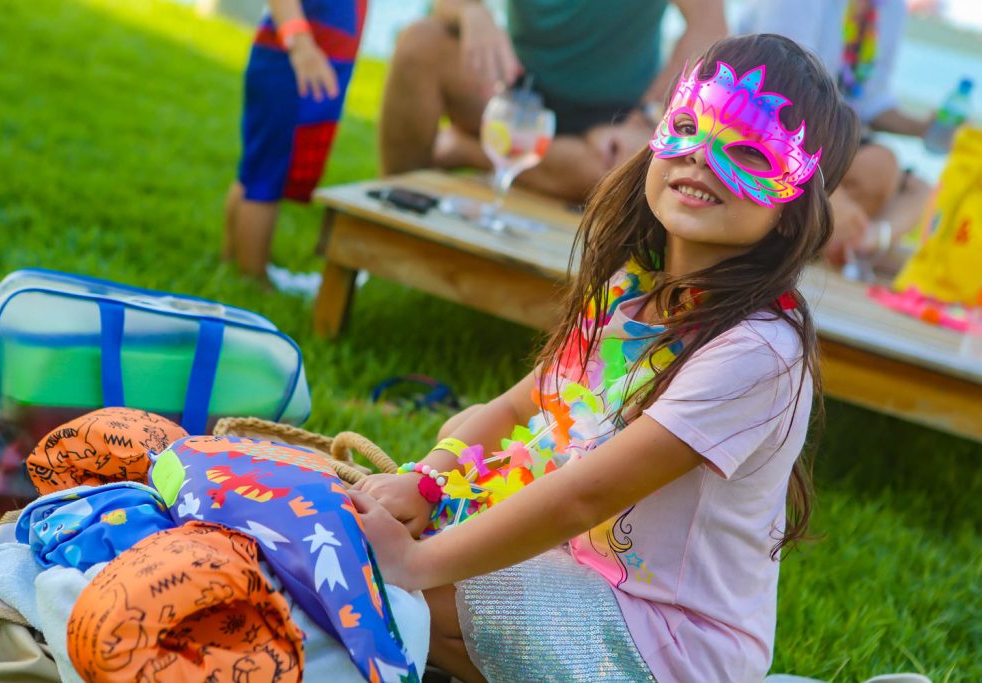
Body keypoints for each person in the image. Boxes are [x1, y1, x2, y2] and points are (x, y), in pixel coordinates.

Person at [351, 34, 860, 682]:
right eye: (686, 128)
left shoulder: (759, 350)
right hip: (576, 575)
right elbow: (512, 406)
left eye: (747, 152)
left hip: (671, 643)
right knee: (393, 520)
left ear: (791, 211)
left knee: (395, 587)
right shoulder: (631, 294)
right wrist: (426, 482)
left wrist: (417, 563)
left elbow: (582, 494)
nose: (701, 161)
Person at [379, 0, 727, 203]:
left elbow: (710, 29)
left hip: (615, 116)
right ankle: (388, 210)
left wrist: (646, 118)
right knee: (419, 44)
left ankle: (462, 148)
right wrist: (473, 13)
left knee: (612, 177)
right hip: (516, 96)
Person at [738, 0, 934, 269]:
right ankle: (824, 237)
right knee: (879, 166)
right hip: (763, 126)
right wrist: (829, 189)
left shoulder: (889, 8)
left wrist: (923, 128)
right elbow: (782, 86)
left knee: (919, 190)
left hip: (828, 134)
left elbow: (869, 101)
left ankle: (859, 241)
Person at [222, 0, 366, 282]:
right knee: (265, 180)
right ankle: (253, 280)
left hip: (299, 63)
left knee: (256, 170)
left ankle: (232, 261)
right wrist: (300, 45)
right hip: (292, 65)